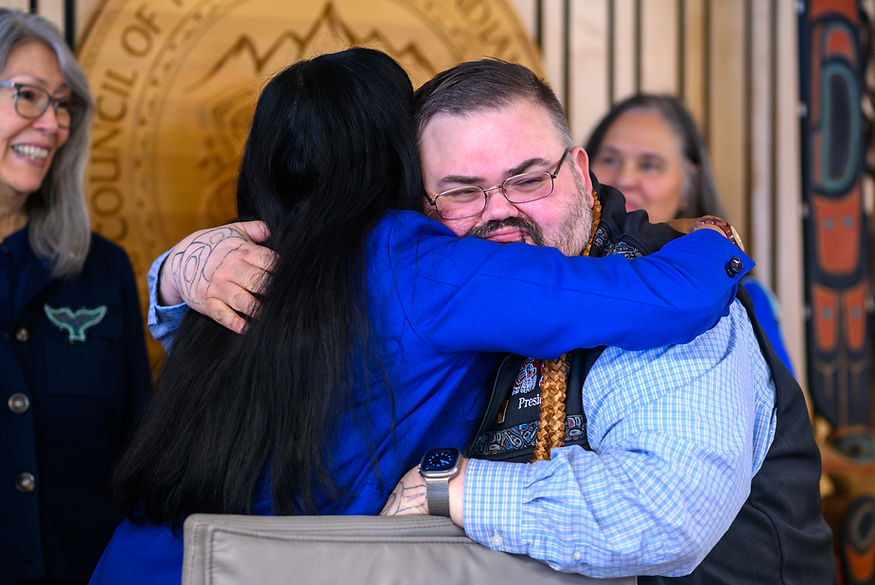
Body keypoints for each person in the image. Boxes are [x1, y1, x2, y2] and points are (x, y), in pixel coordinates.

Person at [89, 48, 751, 585]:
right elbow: (659, 297)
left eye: (527, 179)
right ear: (399, 160)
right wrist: (712, 241)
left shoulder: (244, 260)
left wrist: (176, 269)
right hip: (249, 566)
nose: (496, 210)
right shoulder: (421, 262)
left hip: (132, 560)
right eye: (461, 189)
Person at [0, 9, 152, 585]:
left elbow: (139, 455)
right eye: (30, 96)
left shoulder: (102, 269)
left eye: (62, 105)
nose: (53, 124)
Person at [585, 93, 795, 376]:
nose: (625, 179)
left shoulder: (739, 299)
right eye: (609, 159)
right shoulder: (560, 277)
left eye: (649, 165)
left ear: (688, 183)